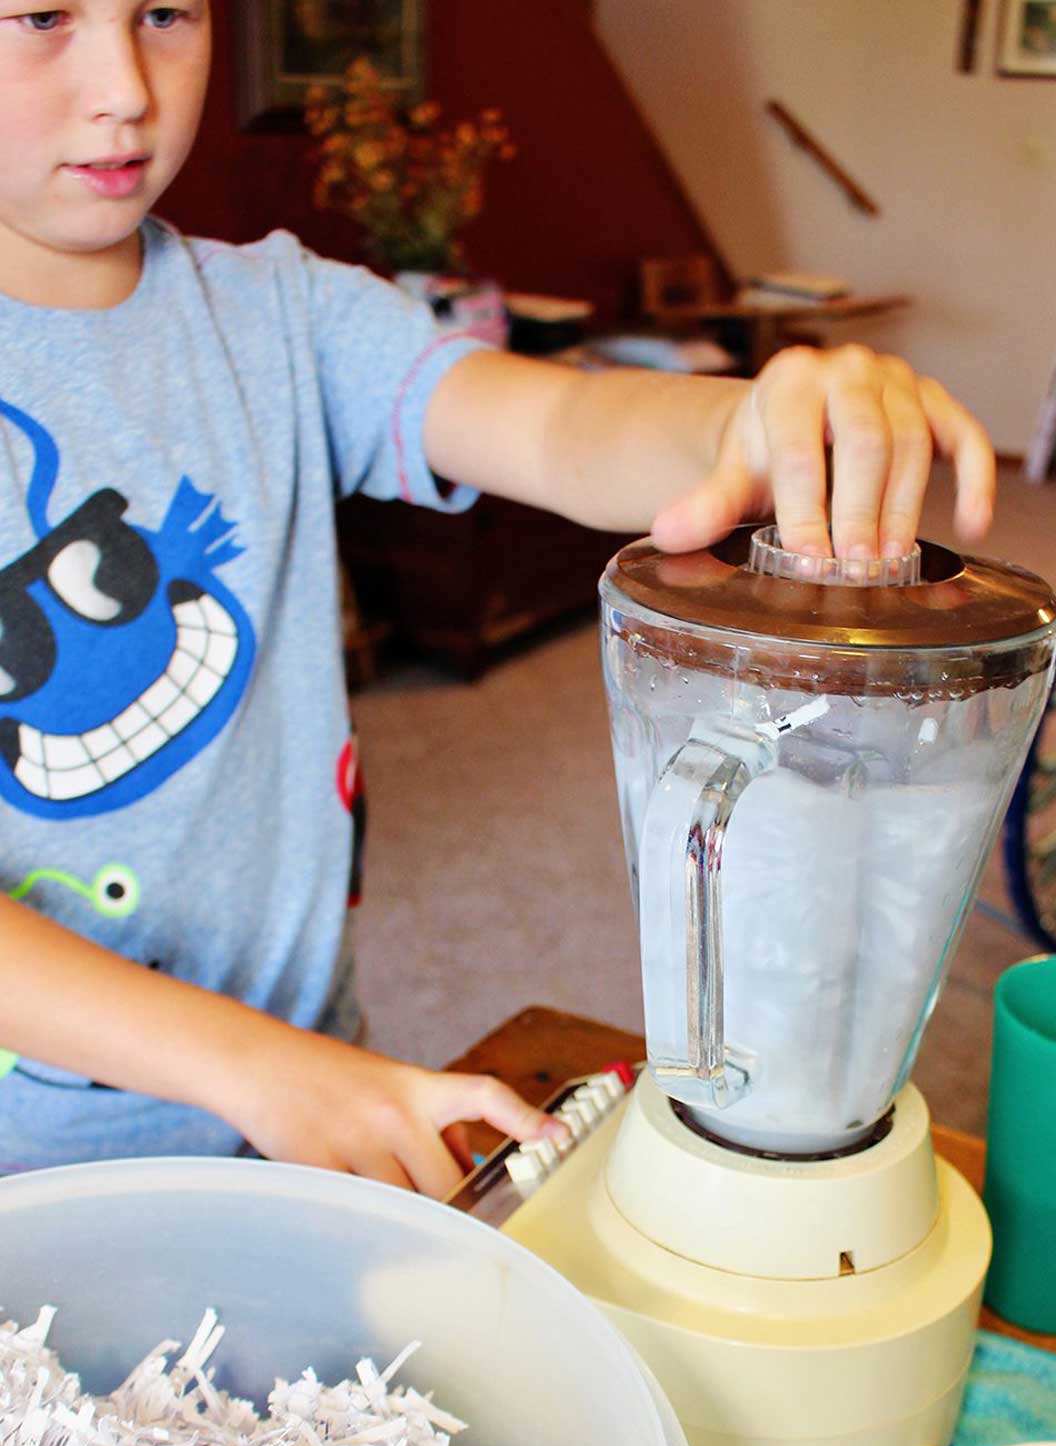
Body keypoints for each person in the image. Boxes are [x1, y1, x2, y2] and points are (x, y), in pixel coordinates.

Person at [0, 1, 995, 1193]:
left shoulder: (280, 309)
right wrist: (258, 1068)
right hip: (43, 1165)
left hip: (312, 1084)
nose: (126, 86)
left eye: (165, 12)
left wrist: (746, 418)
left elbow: (556, 419)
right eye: (42, 17)